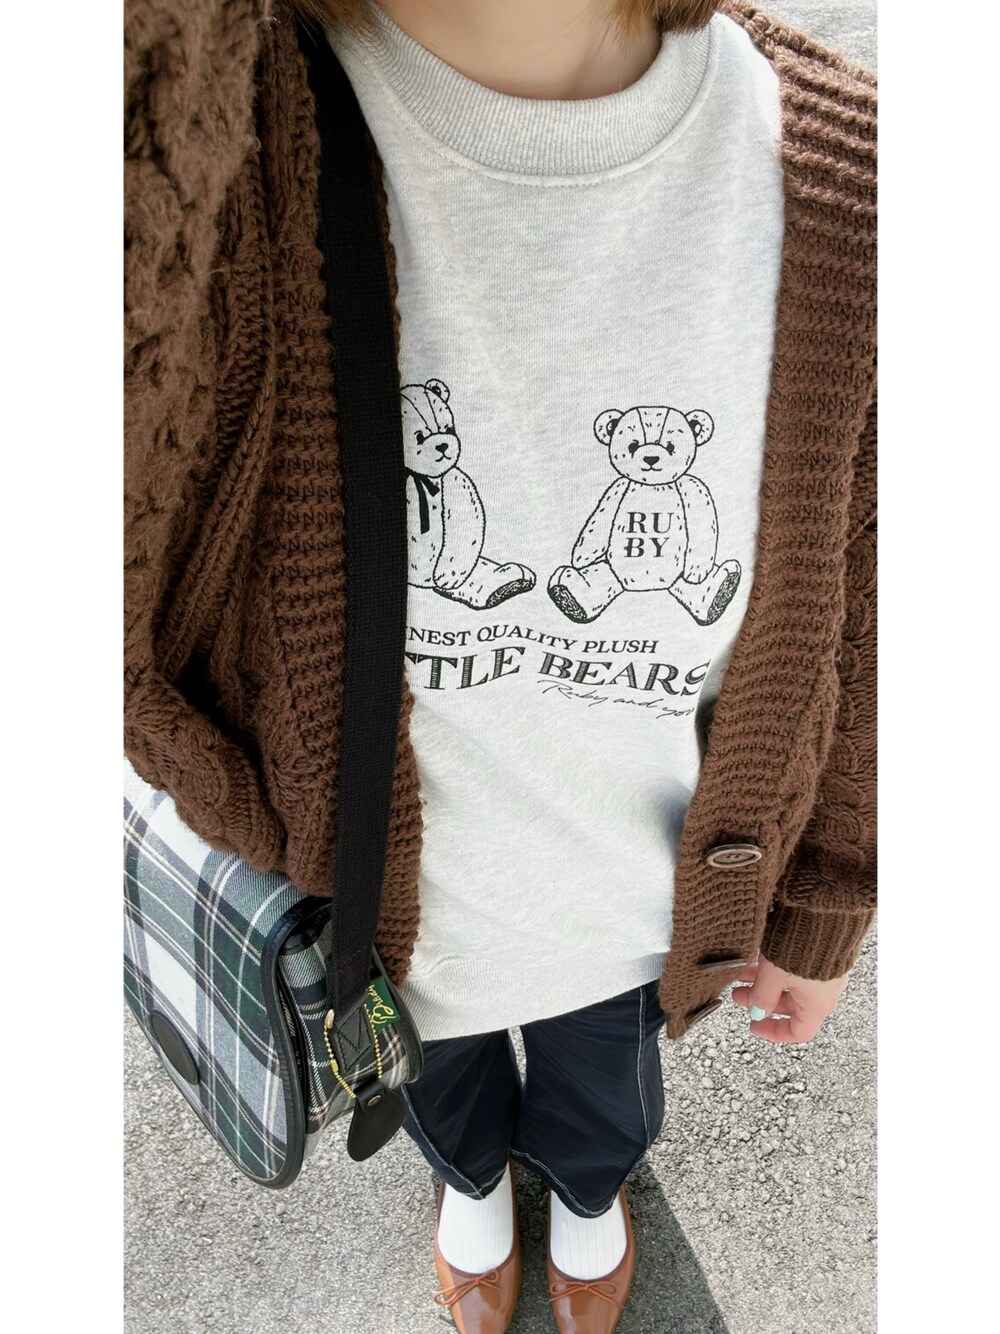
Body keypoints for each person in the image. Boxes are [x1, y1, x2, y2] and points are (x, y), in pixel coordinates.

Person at [124, 1, 876, 1330]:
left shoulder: (859, 195)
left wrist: (828, 895)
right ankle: (471, 1180)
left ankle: (586, 1188)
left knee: (607, 1093)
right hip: (387, 918)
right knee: (435, 1082)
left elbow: (879, 614)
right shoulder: (203, 175)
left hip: (631, 912)